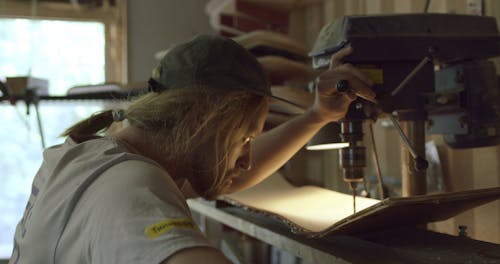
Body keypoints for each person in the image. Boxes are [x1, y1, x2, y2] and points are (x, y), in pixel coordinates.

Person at [9, 34, 374, 264]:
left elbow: (229, 174)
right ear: (202, 120)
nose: (245, 157)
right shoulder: (132, 185)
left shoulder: (84, 156)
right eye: (243, 139)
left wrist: (316, 116)